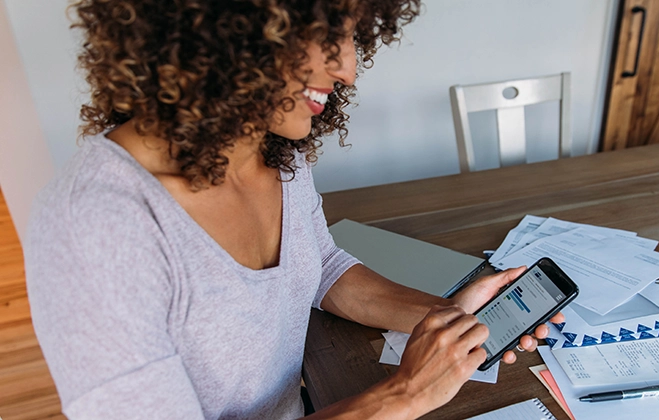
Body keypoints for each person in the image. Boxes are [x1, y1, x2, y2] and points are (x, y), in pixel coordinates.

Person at [25, 1, 563, 419]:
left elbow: (319, 267)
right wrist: (405, 394)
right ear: (226, 25)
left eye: (352, 36)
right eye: (325, 35)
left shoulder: (273, 150)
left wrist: (446, 317)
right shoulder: (94, 229)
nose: (349, 69)